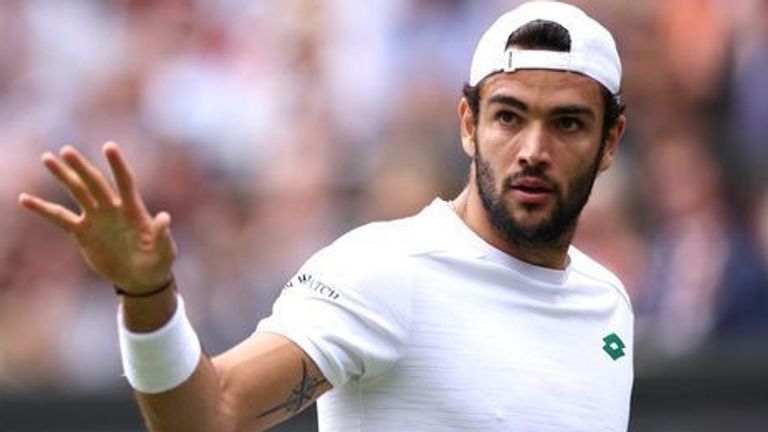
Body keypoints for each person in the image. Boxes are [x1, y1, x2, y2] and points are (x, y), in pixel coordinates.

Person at [18, 1, 632, 431]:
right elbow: (210, 415)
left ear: (610, 141)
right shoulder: (385, 269)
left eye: (568, 124)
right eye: (508, 116)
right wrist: (147, 293)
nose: (532, 150)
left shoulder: (608, 304)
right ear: (468, 126)